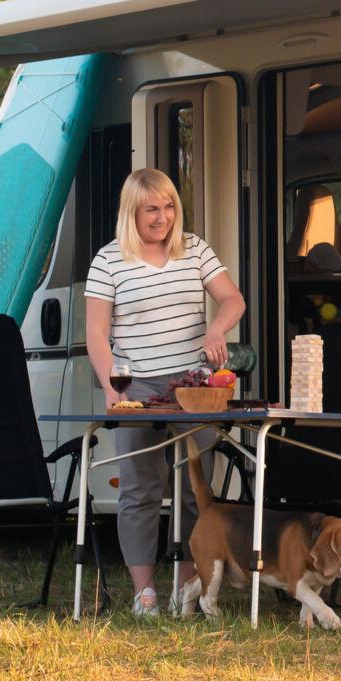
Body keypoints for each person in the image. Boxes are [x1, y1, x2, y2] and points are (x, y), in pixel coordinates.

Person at [85, 169, 246, 617]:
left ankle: (185, 588)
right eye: (152, 208)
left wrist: (216, 327)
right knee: (141, 488)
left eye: (169, 206)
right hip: (136, 386)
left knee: (197, 490)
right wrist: (110, 388)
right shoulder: (109, 260)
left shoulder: (194, 249)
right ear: (132, 212)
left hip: (193, 388)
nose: (162, 217)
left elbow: (233, 300)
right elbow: (97, 335)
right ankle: (145, 594)